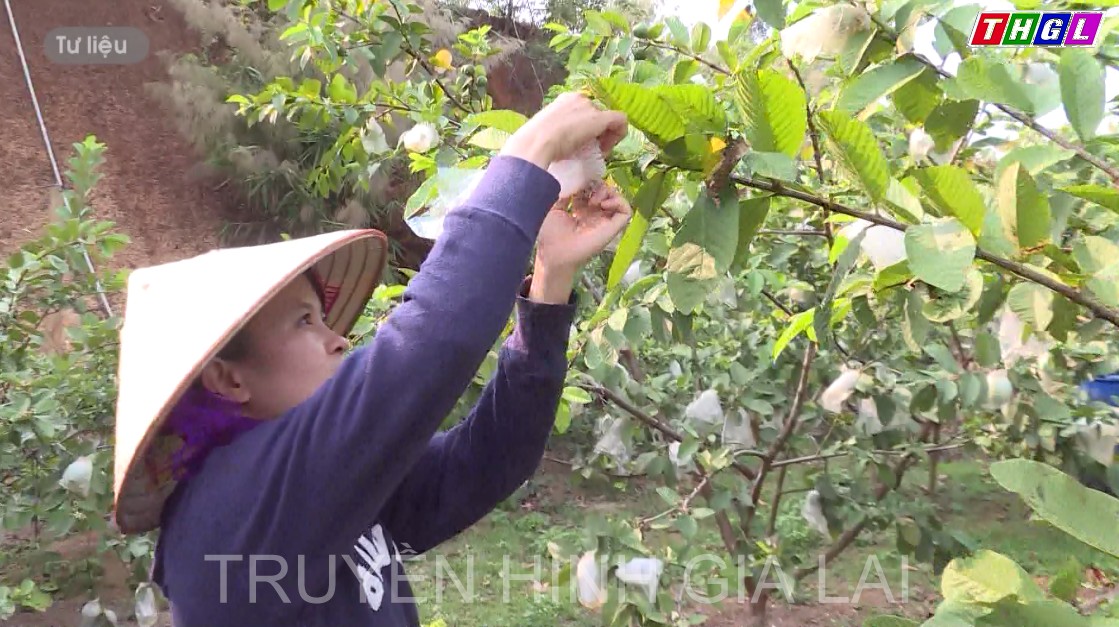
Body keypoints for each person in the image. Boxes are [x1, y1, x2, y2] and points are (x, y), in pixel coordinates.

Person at [110, 92, 631, 626]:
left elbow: (492, 458)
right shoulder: (227, 518)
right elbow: (432, 340)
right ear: (227, 378)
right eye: (304, 322)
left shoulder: (322, 488)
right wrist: (531, 150)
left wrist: (551, 277)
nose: (338, 340)